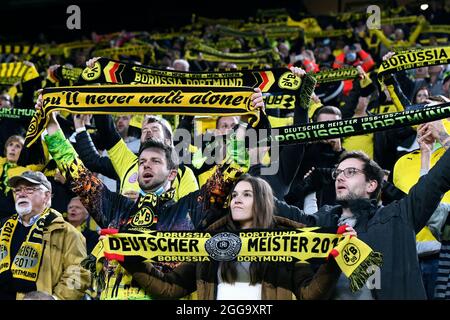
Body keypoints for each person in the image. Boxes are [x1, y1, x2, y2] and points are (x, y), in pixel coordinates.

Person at [124, 175, 345, 300]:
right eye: (235, 195)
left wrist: (333, 264)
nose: (236, 200)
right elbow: (171, 288)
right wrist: (131, 260)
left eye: (246, 195)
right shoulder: (209, 241)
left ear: (263, 202)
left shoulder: (289, 242)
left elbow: (309, 294)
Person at [314, 121, 450, 299]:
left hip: (434, 254)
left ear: (372, 185)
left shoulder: (395, 217)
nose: (340, 177)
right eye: (338, 173)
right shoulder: (324, 219)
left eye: (350, 172)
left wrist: (444, 137)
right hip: (409, 251)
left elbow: (430, 191)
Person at [0, 171, 90, 299]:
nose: (21, 194)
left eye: (29, 189)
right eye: (17, 190)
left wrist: (55, 298)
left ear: (47, 196)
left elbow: (79, 274)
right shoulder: (3, 228)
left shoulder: (67, 233)